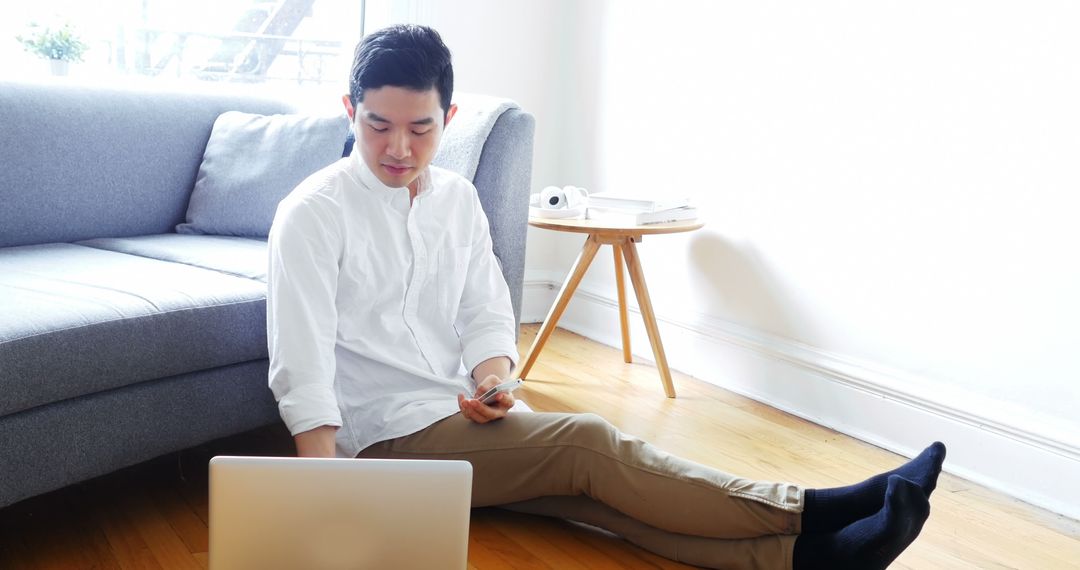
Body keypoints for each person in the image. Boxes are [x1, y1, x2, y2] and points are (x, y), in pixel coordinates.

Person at [266, 24, 945, 570]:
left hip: (456, 412)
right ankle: (815, 509)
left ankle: (806, 557)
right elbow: (302, 370)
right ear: (350, 109)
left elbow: (483, 313)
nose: (399, 148)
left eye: (421, 129)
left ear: (450, 116)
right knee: (585, 445)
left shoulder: (458, 199)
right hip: (381, 442)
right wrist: (331, 502)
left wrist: (495, 381)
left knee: (587, 496)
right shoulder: (312, 214)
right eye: (379, 125)